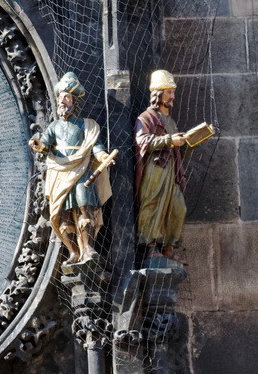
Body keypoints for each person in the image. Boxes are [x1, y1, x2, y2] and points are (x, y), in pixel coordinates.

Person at [29, 72, 114, 265]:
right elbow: (44, 143)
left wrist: (102, 157)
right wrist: (38, 144)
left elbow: (95, 145)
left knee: (85, 204)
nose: (62, 101)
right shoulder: (54, 126)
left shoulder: (86, 125)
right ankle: (73, 251)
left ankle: (88, 247)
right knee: (63, 212)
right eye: (60, 98)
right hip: (61, 170)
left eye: (66, 98)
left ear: (74, 102)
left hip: (81, 169)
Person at [134, 70, 189, 263]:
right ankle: (151, 246)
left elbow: (177, 150)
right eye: (168, 92)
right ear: (158, 93)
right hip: (155, 169)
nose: (172, 96)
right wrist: (169, 140)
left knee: (178, 206)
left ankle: (168, 247)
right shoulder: (145, 118)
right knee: (153, 204)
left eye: (173, 92)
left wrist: (188, 144)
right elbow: (143, 140)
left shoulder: (171, 122)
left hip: (171, 169)